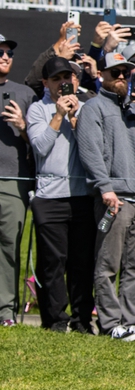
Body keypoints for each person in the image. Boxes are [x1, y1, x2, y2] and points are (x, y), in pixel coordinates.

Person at [76, 51, 135, 340]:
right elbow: (90, 151)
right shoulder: (93, 107)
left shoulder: (132, 108)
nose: (121, 77)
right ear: (102, 76)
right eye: (115, 72)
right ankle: (110, 323)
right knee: (108, 263)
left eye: (125, 72)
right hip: (114, 198)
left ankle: (130, 321)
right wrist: (105, 188)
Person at [26, 57, 95, 333]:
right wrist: (57, 116)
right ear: (46, 83)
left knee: (82, 262)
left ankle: (81, 320)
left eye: (68, 77)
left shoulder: (87, 108)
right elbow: (40, 148)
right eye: (57, 79)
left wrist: (76, 121)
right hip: (49, 197)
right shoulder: (36, 110)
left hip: (82, 196)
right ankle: (55, 319)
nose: (63, 83)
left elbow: (93, 151)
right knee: (53, 262)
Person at [0, 34, 35, 326]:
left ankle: (5, 312)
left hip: (13, 179)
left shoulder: (24, 93)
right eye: (0, 52)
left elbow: (40, 140)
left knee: (9, 246)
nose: (5, 57)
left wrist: (23, 127)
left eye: (9, 53)